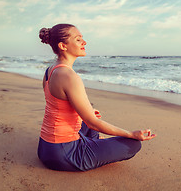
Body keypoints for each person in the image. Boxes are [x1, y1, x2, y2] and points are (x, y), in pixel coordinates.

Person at [38, 23, 156, 171]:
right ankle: (94, 148)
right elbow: (93, 123)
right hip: (64, 155)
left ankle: (95, 145)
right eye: (78, 39)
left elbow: (57, 107)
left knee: (89, 118)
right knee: (133, 144)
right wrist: (131, 134)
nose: (84, 42)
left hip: (45, 148)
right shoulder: (69, 76)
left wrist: (85, 115)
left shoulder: (50, 70)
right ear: (63, 46)